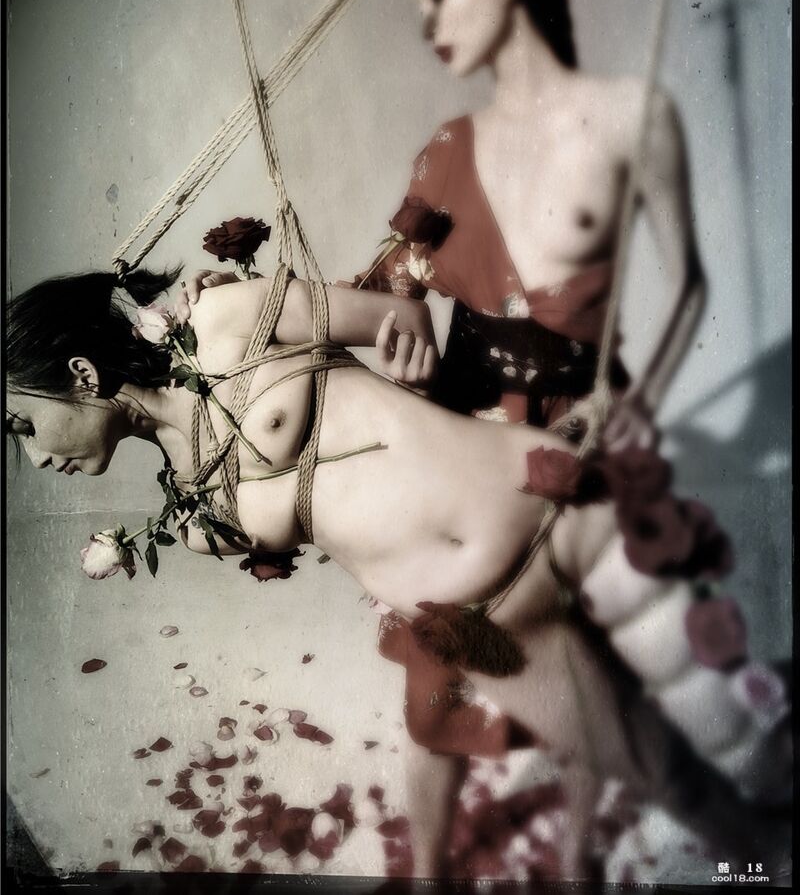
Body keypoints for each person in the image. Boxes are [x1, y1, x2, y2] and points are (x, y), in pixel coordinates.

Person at [179, 0, 707, 876]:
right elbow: (386, 291)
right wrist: (248, 301)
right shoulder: (450, 151)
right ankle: (427, 872)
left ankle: (577, 859)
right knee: (435, 685)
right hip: (456, 430)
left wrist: (633, 402)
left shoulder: (632, 119)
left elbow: (687, 287)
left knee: (584, 669)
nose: (426, 22)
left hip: (576, 426)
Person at [6, 268, 789, 881]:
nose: (37, 458)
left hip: (543, 498)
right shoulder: (187, 514)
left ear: (80, 372)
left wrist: (407, 371)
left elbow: (404, 321)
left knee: (737, 725)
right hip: (489, 618)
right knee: (670, 777)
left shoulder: (222, 317)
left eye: (24, 426)